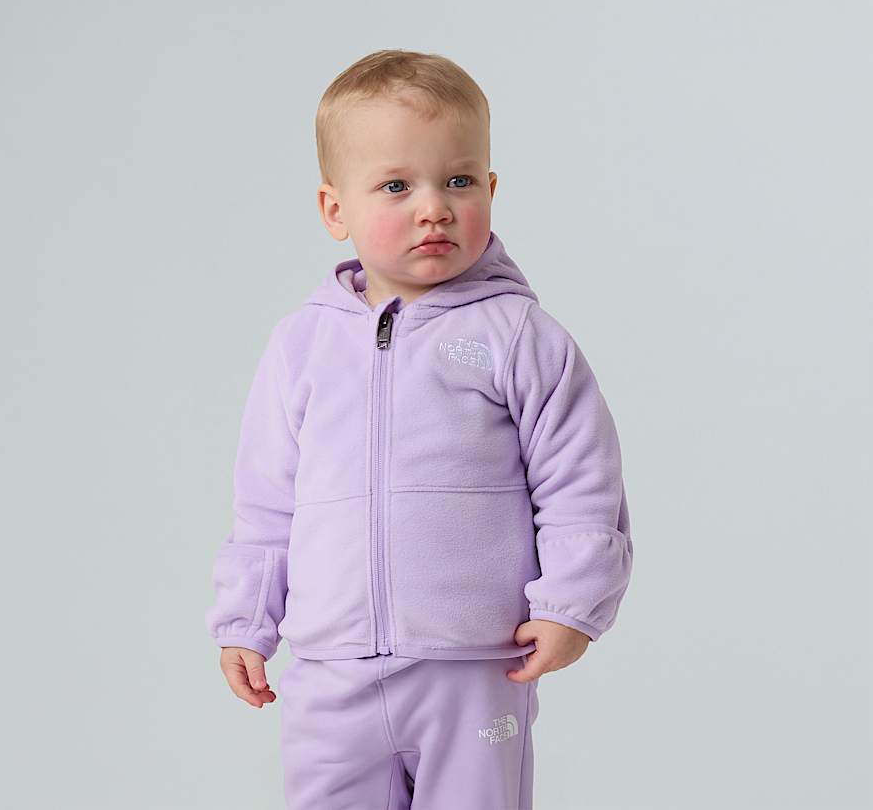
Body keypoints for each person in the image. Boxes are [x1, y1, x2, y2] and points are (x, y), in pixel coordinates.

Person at [205, 49, 634, 809]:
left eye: (458, 181)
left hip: (473, 667)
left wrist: (571, 601)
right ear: (334, 209)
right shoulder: (301, 346)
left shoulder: (519, 337)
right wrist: (247, 618)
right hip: (331, 671)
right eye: (397, 186)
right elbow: (267, 502)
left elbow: (580, 481)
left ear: (491, 190)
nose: (433, 207)